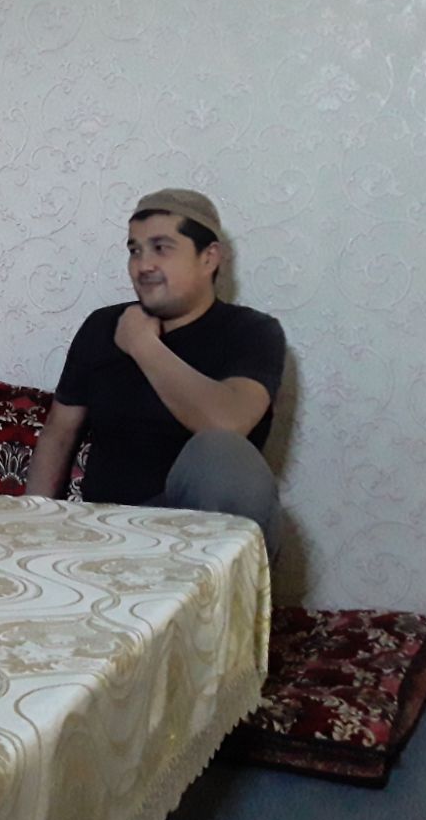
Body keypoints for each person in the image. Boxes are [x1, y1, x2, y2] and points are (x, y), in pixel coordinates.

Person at [25, 188, 286, 557]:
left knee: (219, 451)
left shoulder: (251, 331)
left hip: (200, 545)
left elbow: (228, 423)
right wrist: (31, 527)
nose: (143, 265)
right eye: (135, 250)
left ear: (209, 257)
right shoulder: (102, 327)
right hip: (107, 537)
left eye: (161, 248)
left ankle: (219, 594)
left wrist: (143, 345)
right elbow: (58, 435)